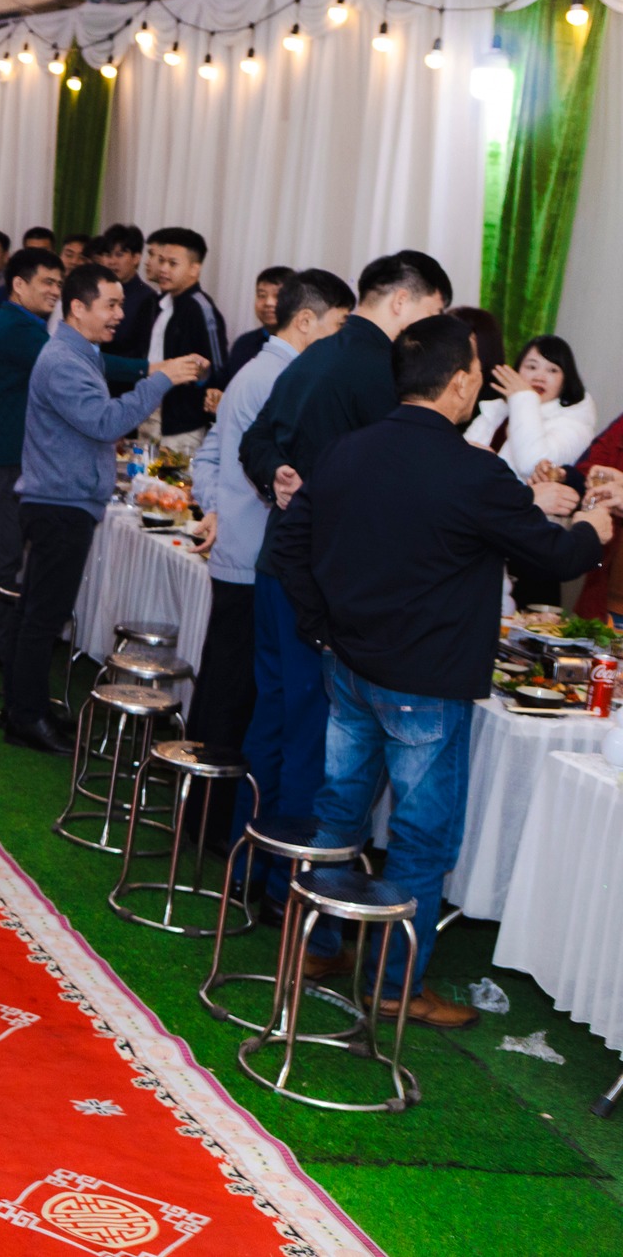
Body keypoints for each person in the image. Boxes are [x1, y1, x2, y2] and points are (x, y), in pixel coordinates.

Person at [273, 314, 609, 1026]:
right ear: (459, 383)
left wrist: (322, 627)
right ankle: (395, 986)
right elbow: (556, 557)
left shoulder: (349, 449)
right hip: (423, 683)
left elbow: (290, 544)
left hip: (350, 665)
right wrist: (595, 527)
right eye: (476, 377)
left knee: (340, 812)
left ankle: (318, 946)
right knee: (421, 839)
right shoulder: (473, 470)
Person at [236, 250, 452, 891]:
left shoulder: (314, 354)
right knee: (312, 735)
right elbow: (393, 481)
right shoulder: (382, 371)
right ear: (403, 301)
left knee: (273, 716)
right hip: (323, 581)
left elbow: (256, 440)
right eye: (433, 312)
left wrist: (274, 473)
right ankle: (289, 886)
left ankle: (248, 860)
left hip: (278, 564)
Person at [1, 265, 204, 754]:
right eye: (110, 305)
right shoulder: (64, 361)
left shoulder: (81, 352)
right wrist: (161, 379)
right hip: (59, 506)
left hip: (61, 500)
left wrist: (152, 373)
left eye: (120, 304)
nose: (119, 315)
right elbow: (105, 421)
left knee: (37, 613)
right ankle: (26, 718)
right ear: (78, 308)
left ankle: (24, 708)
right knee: (42, 618)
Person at [188, 270, 354, 854]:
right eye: (338, 326)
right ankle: (215, 827)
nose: (342, 341)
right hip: (255, 556)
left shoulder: (258, 370)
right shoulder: (285, 377)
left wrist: (215, 507)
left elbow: (212, 452)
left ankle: (210, 822)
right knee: (236, 703)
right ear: (306, 321)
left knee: (230, 694)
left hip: (242, 550)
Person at [0, 249, 144, 658]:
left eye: (59, 283)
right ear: (18, 284)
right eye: (47, 282)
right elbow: (92, 364)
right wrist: (153, 371)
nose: (55, 291)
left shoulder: (25, 324)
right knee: (2, 555)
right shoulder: (21, 329)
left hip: (4, 453)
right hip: (3, 455)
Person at [113, 226, 225, 452]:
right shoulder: (153, 304)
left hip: (181, 424)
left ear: (194, 269)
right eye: (161, 261)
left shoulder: (201, 308)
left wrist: (203, 378)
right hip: (146, 411)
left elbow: (218, 368)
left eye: (173, 264)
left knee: (174, 475)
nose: (163, 269)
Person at [464, 334, 597, 479]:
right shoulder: (499, 409)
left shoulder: (575, 426)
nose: (539, 377)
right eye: (531, 367)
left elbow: (531, 465)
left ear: (565, 381)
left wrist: (526, 398)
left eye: (552, 370)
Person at [213, 265, 293, 393]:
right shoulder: (244, 343)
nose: (268, 303)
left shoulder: (301, 349)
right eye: (262, 295)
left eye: (278, 296)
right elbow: (224, 384)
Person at [96, 223, 158, 360]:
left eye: (119, 255)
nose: (112, 261)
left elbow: (142, 352)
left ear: (136, 258)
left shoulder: (147, 298)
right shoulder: (95, 291)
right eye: (108, 255)